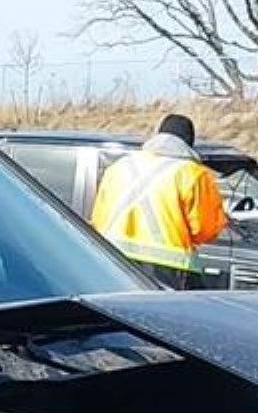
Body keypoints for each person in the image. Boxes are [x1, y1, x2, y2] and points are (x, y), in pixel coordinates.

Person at [87, 112, 229, 285]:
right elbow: (204, 230)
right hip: (167, 269)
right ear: (189, 143)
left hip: (112, 261)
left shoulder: (119, 167)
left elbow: (97, 219)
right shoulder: (193, 174)